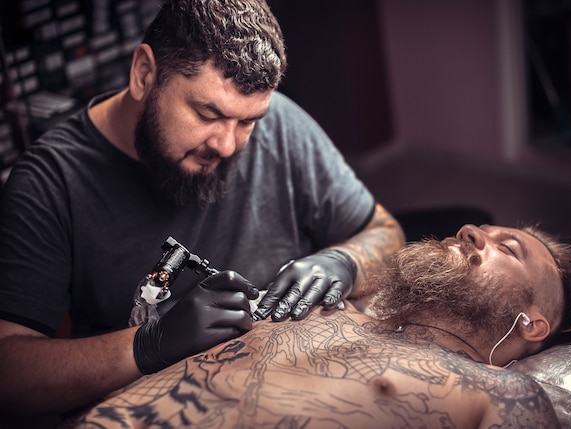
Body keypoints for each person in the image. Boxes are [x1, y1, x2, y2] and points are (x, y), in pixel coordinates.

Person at [0, 0, 405, 420]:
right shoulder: (50, 182)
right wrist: (147, 345)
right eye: (207, 113)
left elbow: (386, 233)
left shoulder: (280, 125)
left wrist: (343, 262)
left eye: (247, 122)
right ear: (144, 75)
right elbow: (9, 376)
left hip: (298, 394)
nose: (228, 146)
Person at [70, 223, 571, 429]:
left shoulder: (503, 393)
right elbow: (382, 233)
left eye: (508, 249)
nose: (473, 230)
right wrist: (149, 343)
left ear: (532, 325)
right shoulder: (317, 307)